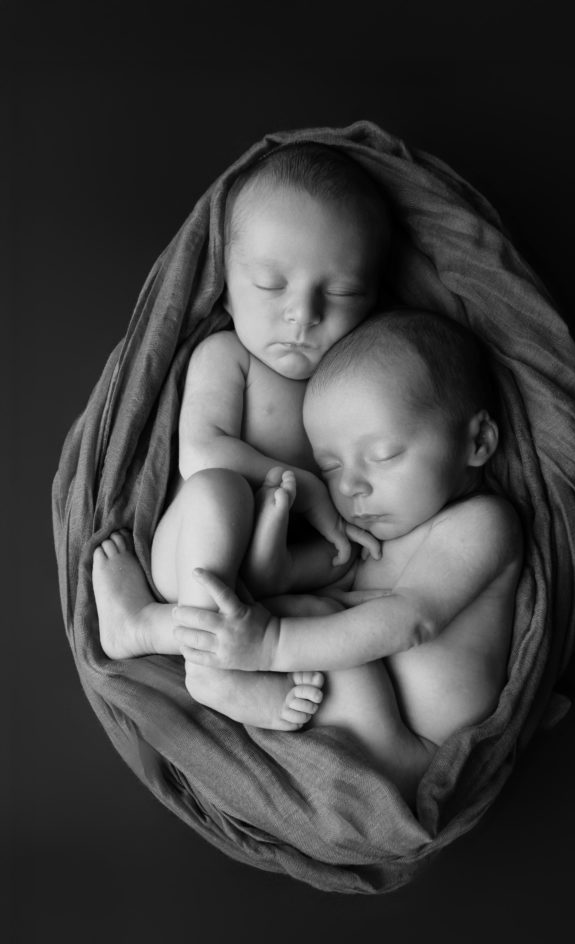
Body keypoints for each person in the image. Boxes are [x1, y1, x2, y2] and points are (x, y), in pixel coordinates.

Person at [168, 309, 524, 803]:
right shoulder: (373, 531)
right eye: (330, 467)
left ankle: (192, 651)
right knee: (254, 598)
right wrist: (275, 543)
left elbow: (410, 621)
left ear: (478, 441)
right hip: (343, 713)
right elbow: (308, 586)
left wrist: (270, 645)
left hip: (409, 751)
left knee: (300, 616)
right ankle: (159, 632)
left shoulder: (483, 523)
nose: (352, 486)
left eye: (381, 456)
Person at [92, 142, 391, 730]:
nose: (302, 314)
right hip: (199, 553)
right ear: (227, 290)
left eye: (341, 293)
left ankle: (214, 640)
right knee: (220, 490)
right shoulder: (228, 356)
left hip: (274, 575)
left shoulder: (351, 381)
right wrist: (303, 485)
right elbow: (198, 454)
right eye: (271, 283)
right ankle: (159, 636)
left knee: (349, 561)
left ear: (374, 303)